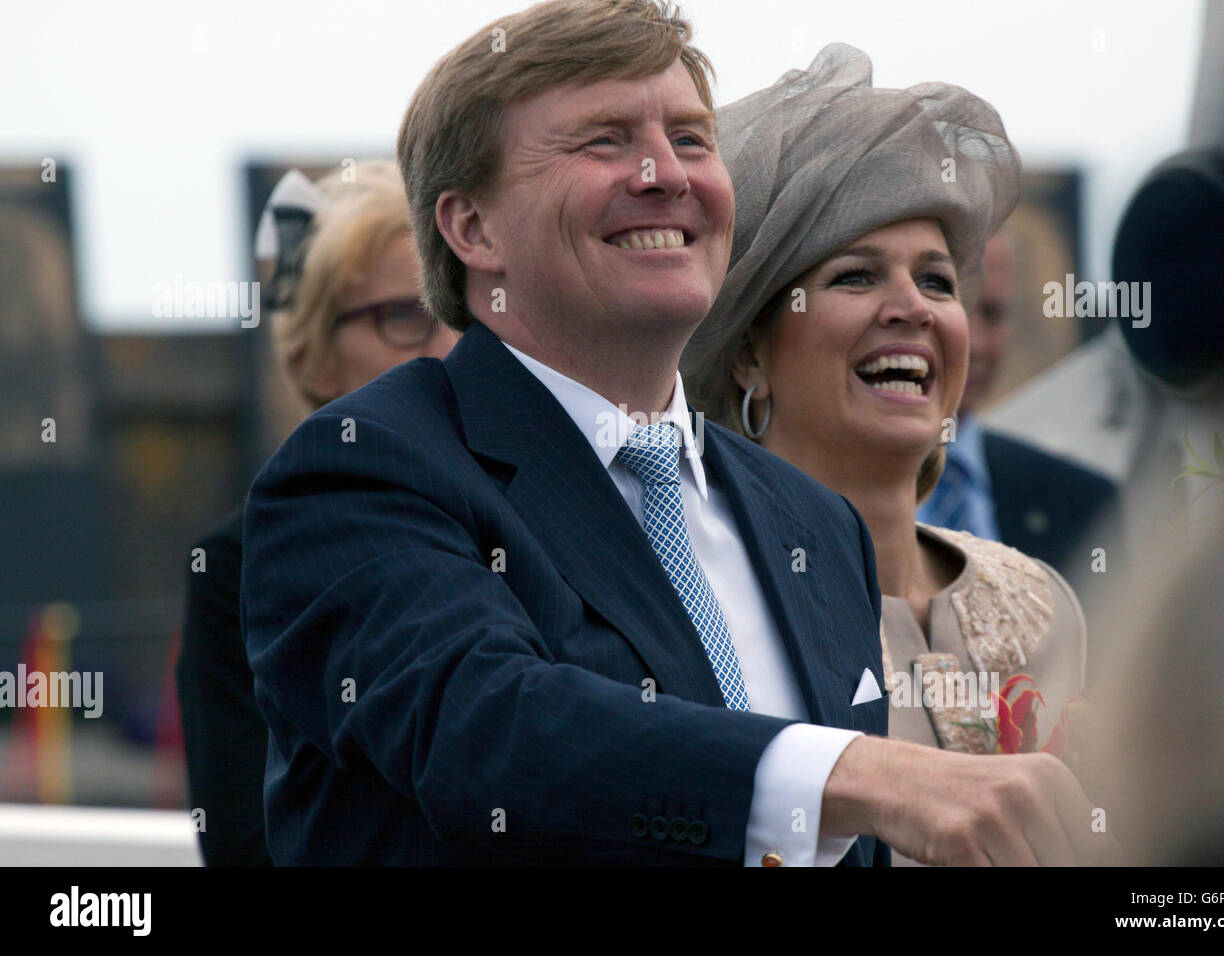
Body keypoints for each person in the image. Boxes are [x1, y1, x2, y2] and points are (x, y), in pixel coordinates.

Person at [241, 0, 1112, 866]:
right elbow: (488, 722)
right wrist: (863, 774)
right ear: (473, 228)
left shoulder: (812, 522)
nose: (666, 174)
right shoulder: (361, 471)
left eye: (693, 140)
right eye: (605, 140)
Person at [682, 44, 1092, 863]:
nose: (912, 307)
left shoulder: (1042, 603)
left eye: (938, 282)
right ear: (748, 354)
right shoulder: (697, 605)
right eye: (855, 277)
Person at [176, 160, 459, 866]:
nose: (449, 349)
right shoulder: (237, 571)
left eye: (464, 315)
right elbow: (246, 842)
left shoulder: (567, 521)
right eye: (404, 316)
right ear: (312, 355)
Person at [916, 228, 1122, 580]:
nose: (975, 345)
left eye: (993, 314)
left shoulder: (1084, 504)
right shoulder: (823, 497)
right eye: (956, 307)